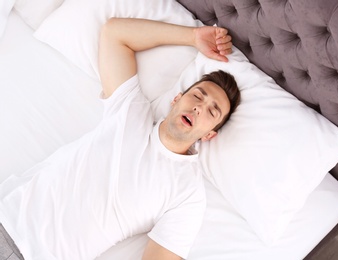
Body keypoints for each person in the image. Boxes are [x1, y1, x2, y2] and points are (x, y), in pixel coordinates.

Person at [0, 18, 240, 260]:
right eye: (198, 96)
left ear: (210, 134)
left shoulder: (188, 193)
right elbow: (115, 33)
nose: (199, 108)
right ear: (177, 98)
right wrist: (193, 36)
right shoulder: (130, 112)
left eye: (212, 111)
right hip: (6, 217)